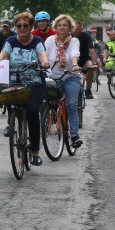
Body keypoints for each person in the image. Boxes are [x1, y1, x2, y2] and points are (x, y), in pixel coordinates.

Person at [0, 12, 50, 166]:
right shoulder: (11, 40)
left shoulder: (37, 40)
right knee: (5, 93)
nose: (22, 28)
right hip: (15, 82)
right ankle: (10, 123)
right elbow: (3, 55)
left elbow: (42, 54)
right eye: (19, 26)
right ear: (15, 27)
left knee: (31, 113)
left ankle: (35, 152)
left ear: (31, 27)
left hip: (35, 83)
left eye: (25, 25)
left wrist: (44, 62)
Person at [45, 15, 84, 148]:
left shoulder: (74, 41)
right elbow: (44, 56)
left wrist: (74, 65)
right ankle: (47, 120)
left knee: (71, 104)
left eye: (65, 25)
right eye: (59, 25)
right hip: (52, 76)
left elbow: (74, 54)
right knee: (45, 101)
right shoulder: (50, 40)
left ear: (70, 28)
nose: (62, 27)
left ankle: (74, 136)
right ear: (55, 27)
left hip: (70, 76)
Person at [72, 21, 102, 99]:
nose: (74, 31)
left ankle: (88, 89)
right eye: (73, 29)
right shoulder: (69, 36)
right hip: (73, 60)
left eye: (76, 29)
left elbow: (92, 51)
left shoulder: (86, 36)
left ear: (81, 29)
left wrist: (95, 63)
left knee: (90, 66)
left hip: (84, 59)